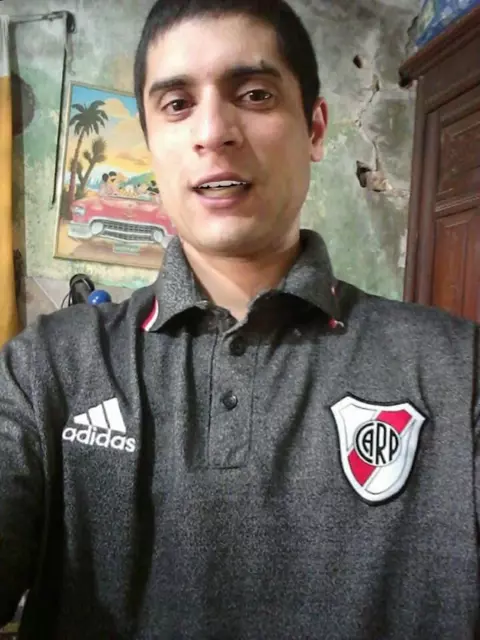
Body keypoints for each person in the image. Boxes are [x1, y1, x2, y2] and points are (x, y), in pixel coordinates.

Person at [0, 0, 478, 638]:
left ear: (314, 129)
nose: (213, 132)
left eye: (253, 95)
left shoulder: (458, 370)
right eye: (177, 104)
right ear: (150, 143)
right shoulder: (44, 370)